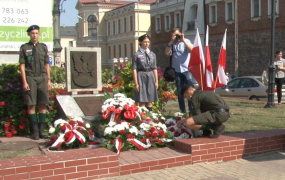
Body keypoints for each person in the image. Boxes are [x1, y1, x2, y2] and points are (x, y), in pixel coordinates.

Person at [19, 25, 51, 140]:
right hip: (31, 78)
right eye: (32, 33)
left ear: (39, 34)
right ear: (29, 34)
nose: (34, 35)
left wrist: (48, 79)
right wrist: (24, 81)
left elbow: (47, 64)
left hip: (42, 78)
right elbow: (22, 66)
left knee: (43, 103)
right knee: (31, 104)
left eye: (36, 33)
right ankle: (35, 132)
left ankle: (42, 131)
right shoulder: (24, 47)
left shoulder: (43, 47)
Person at [165, 28, 194, 114]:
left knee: (190, 90)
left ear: (181, 34)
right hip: (177, 70)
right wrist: (171, 42)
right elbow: (166, 53)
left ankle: (191, 110)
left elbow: (192, 50)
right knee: (180, 91)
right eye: (174, 35)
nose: (176, 37)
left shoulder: (186, 41)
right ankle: (183, 110)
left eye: (177, 34)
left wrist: (183, 40)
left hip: (186, 70)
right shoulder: (172, 44)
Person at [132, 34, 158, 111]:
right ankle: (142, 119)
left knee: (150, 100)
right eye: (144, 42)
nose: (146, 44)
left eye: (148, 42)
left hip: (150, 76)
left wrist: (156, 81)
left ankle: (150, 117)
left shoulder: (152, 54)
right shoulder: (136, 54)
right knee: (142, 100)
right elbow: (134, 69)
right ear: (141, 42)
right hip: (141, 75)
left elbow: (154, 68)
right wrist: (136, 83)